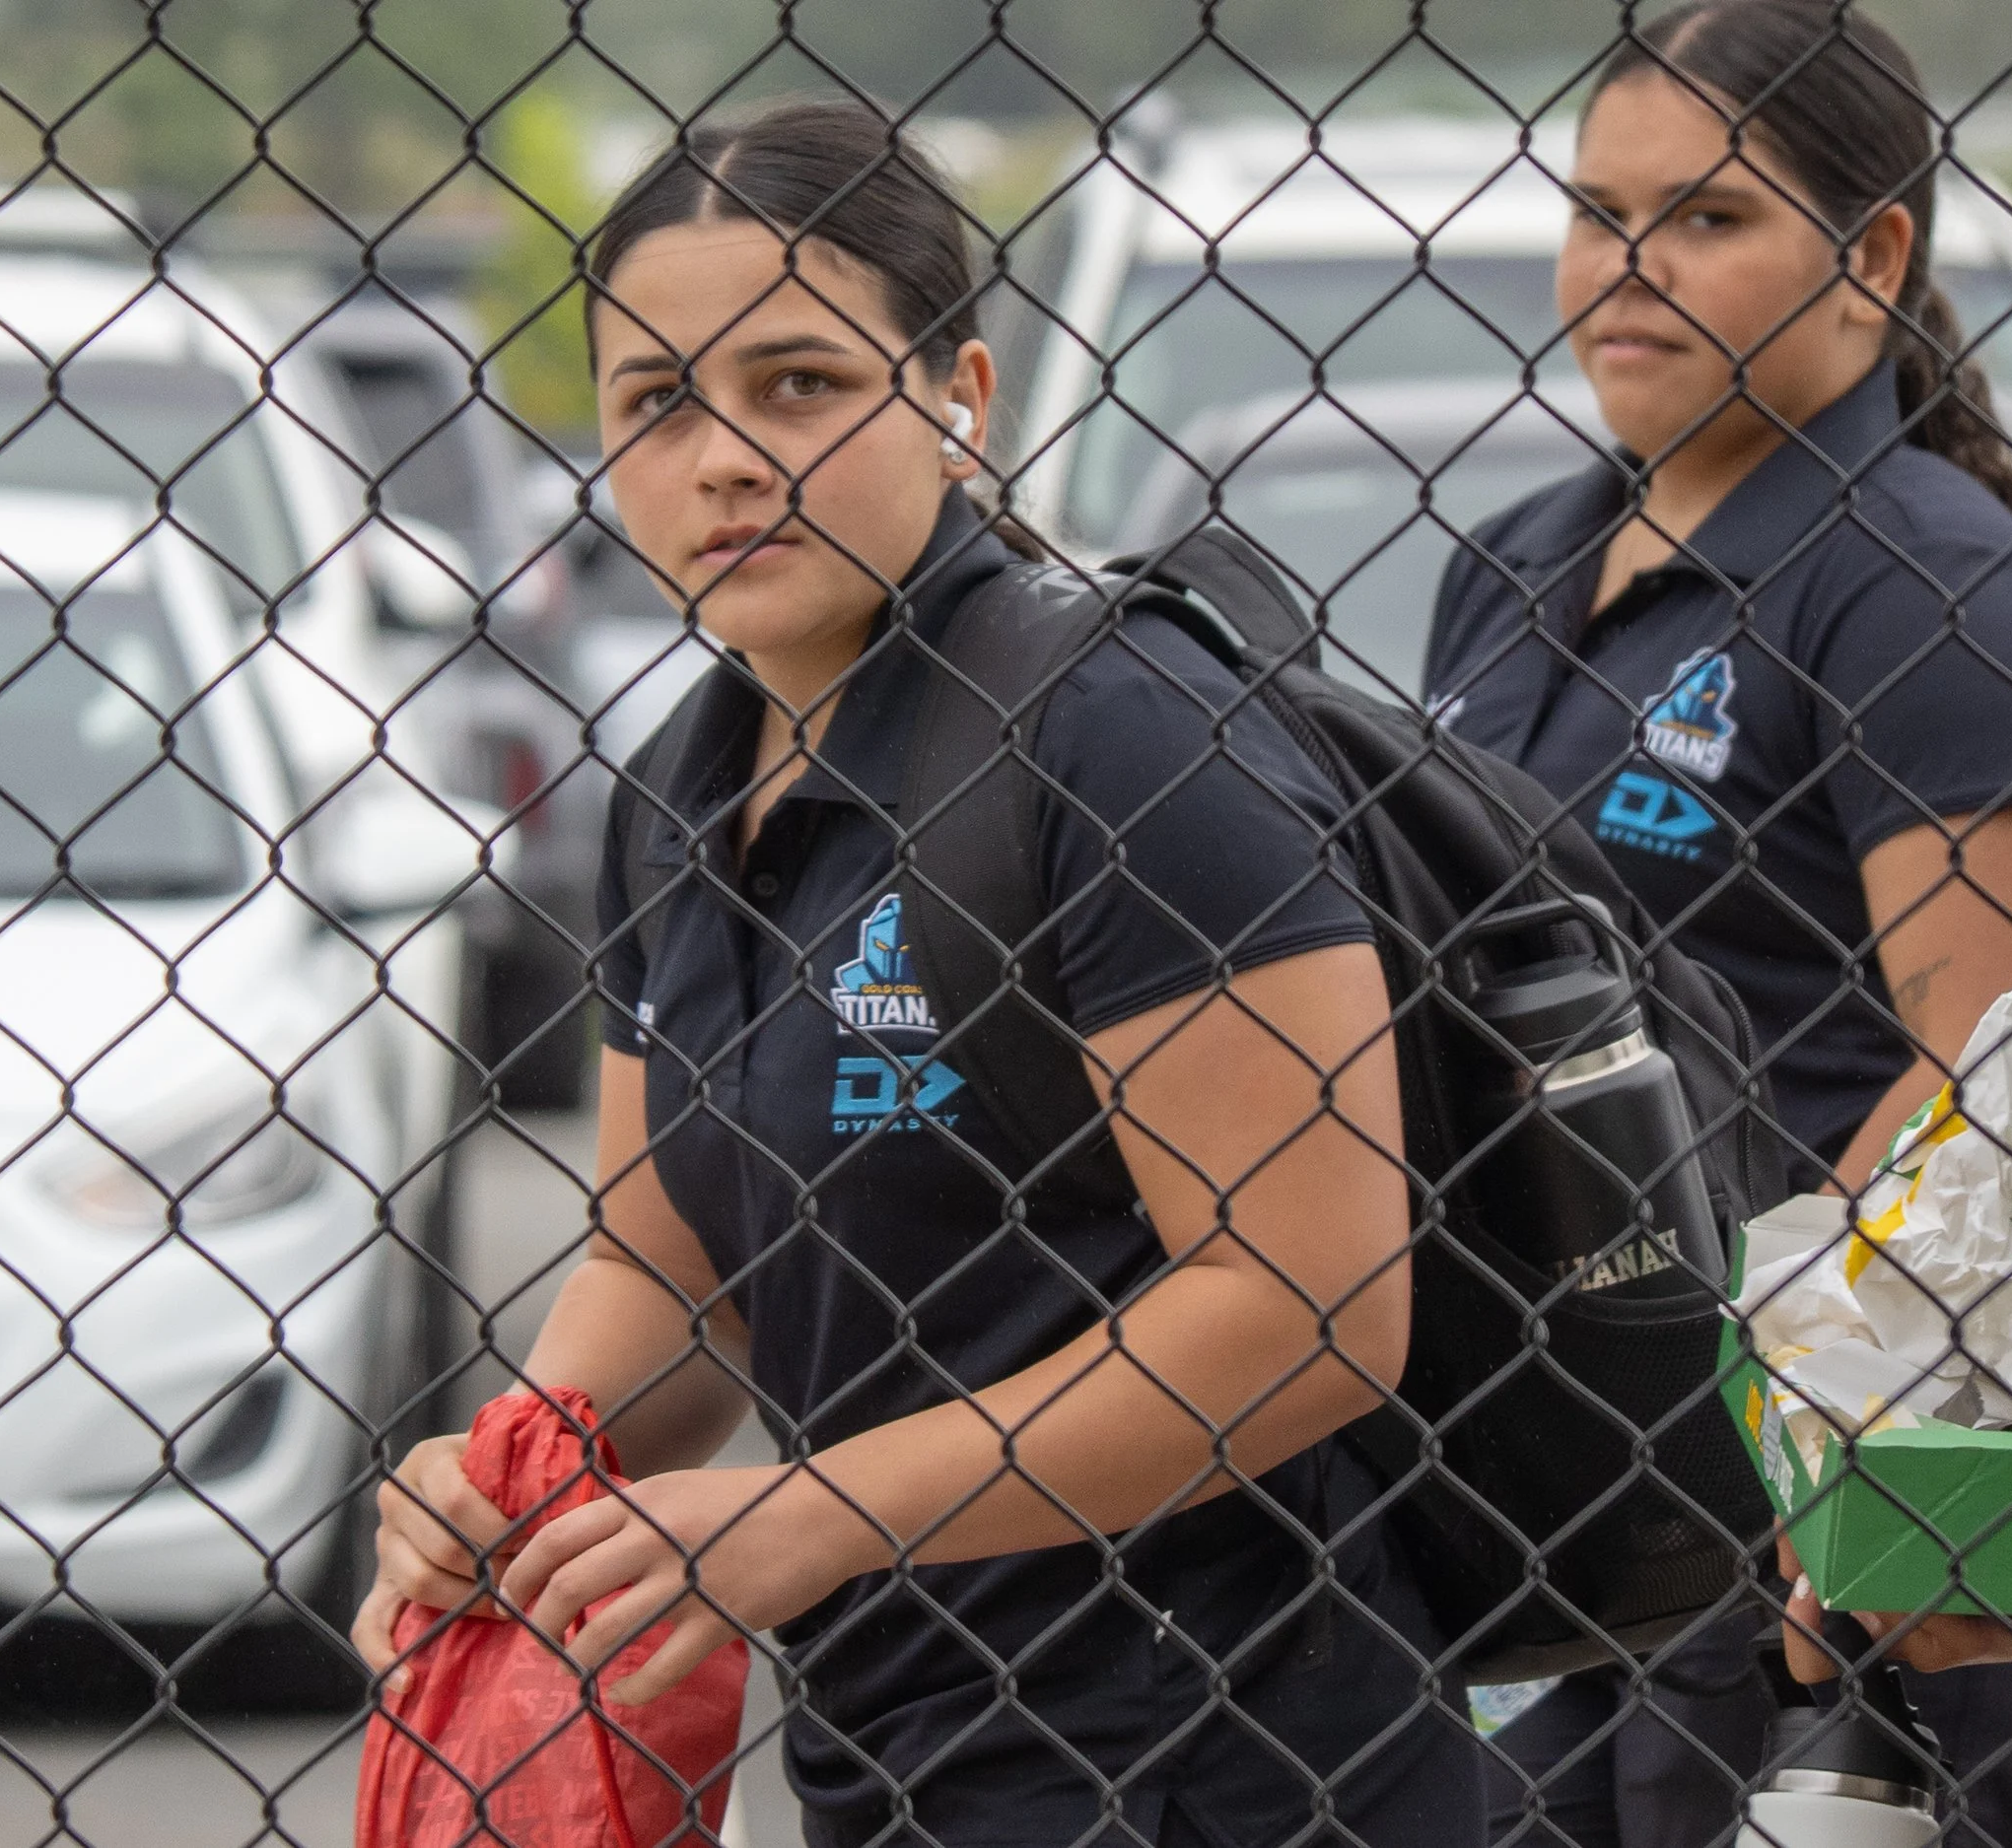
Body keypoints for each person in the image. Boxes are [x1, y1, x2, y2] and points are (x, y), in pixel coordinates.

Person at [353, 99, 1489, 1848]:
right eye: (658, 401)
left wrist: (808, 1516)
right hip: (902, 1756)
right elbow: (669, 1263)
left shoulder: (1122, 737)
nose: (726, 455)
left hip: (1238, 1758)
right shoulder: (679, 789)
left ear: (960, 396)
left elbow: (1309, 1307)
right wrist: (513, 1471)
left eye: (799, 382)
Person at [1422, 5, 2012, 1844]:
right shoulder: (1520, 559)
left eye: (1705, 217)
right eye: (1595, 211)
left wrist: (1815, 1432)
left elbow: (1992, 1096)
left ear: (1871, 256)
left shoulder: (1923, 581)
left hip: (1806, 1506)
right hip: (1545, 1456)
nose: (1623, 270)